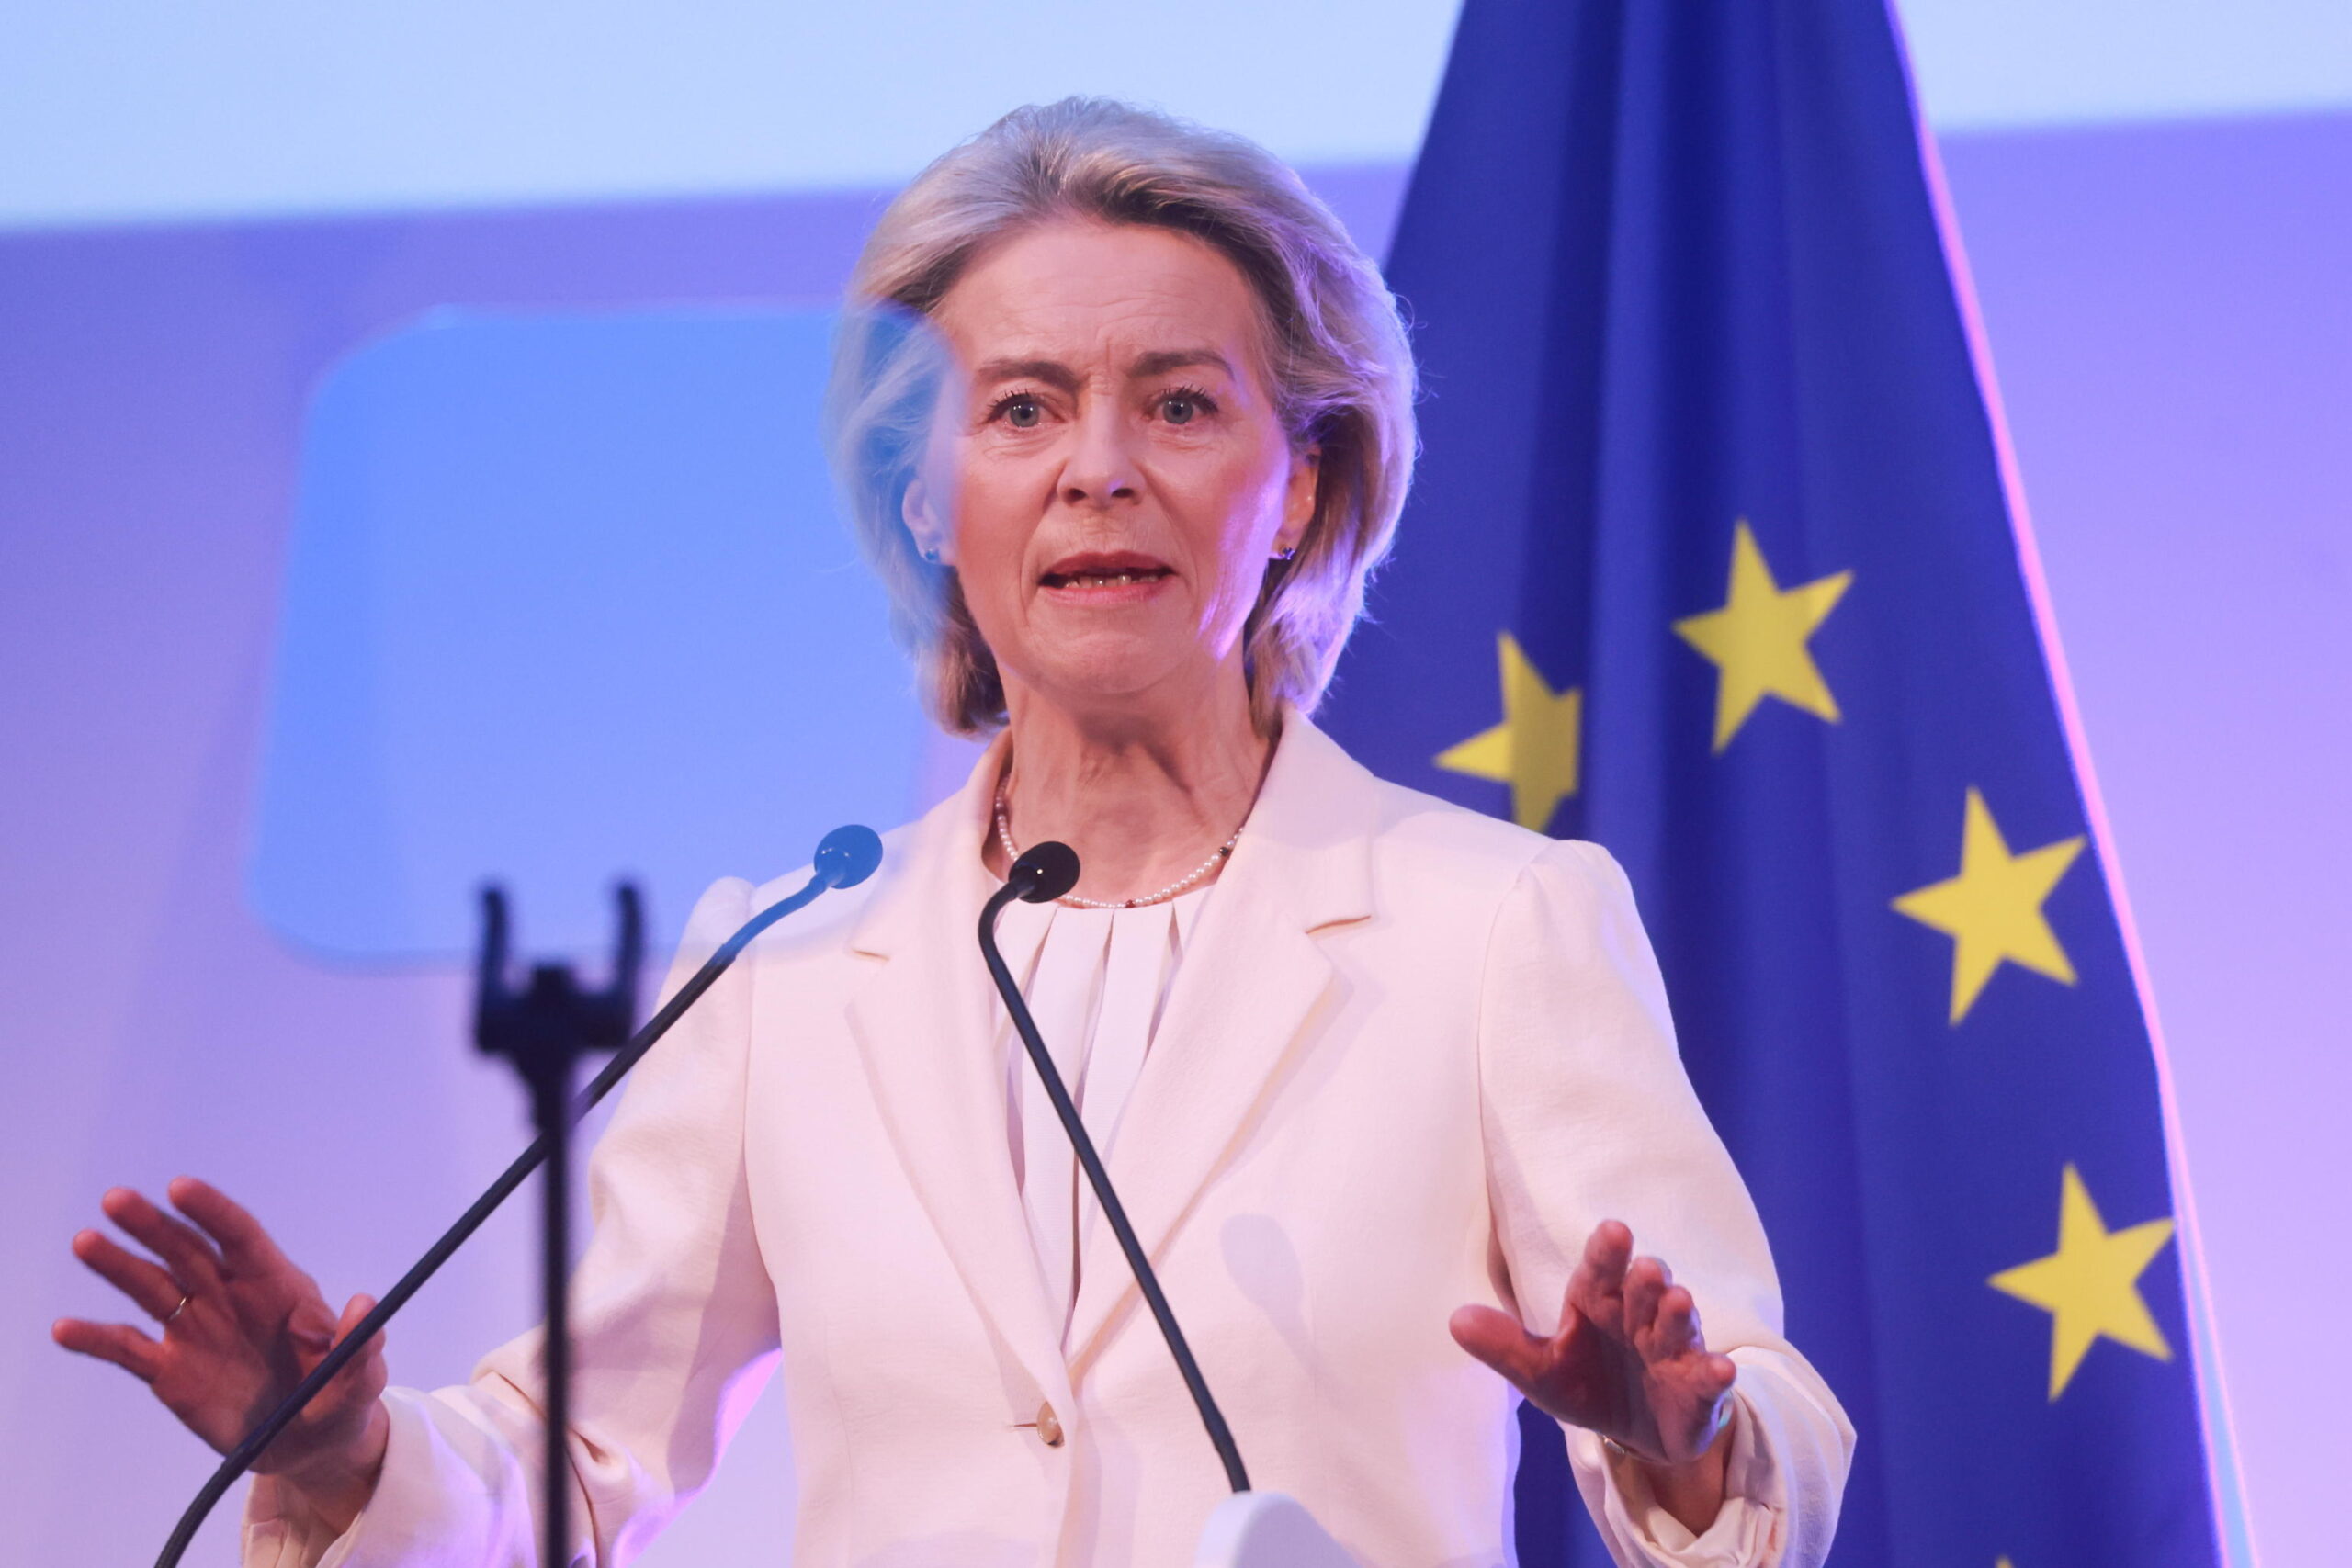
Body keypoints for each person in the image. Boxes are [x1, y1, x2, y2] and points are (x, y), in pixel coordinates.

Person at [54, 98, 1852, 1567]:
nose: (1097, 467)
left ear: (1300, 483)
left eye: (1179, 402)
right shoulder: (783, 963)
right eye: (1021, 408)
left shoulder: (1495, 923)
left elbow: (1760, 1414)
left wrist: (1688, 1434)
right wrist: (348, 1455)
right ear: (923, 491)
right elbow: (577, 1458)